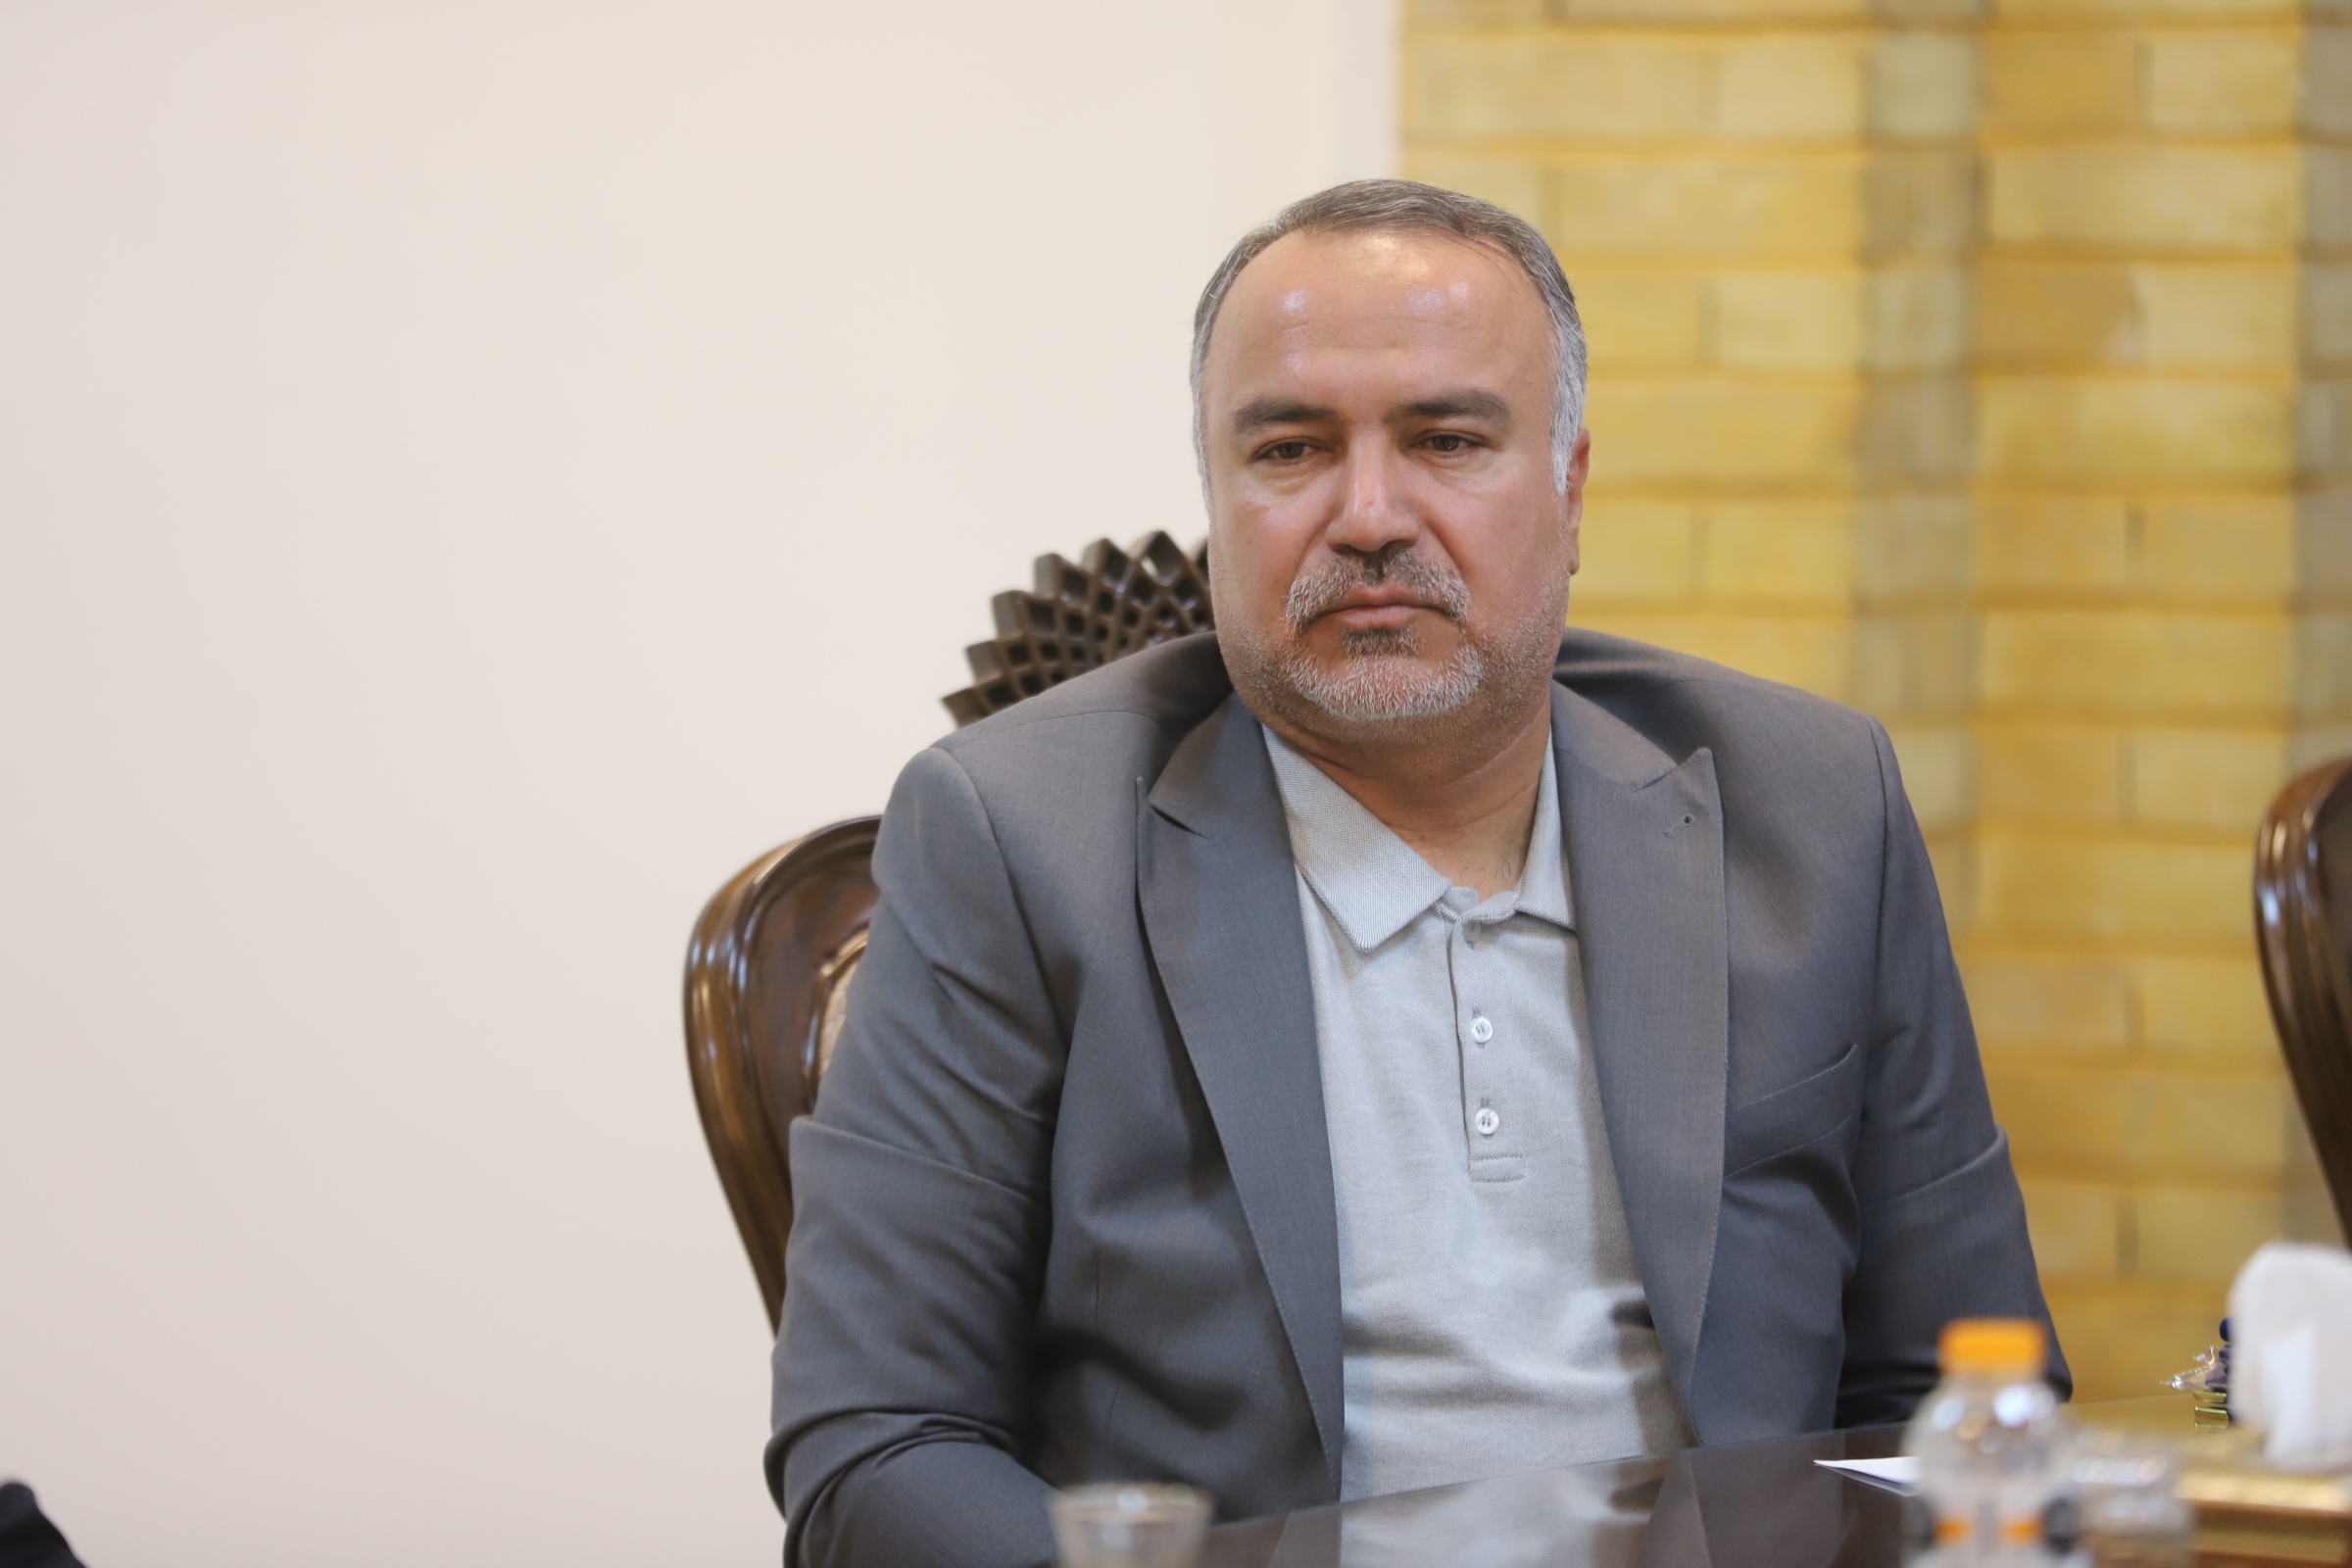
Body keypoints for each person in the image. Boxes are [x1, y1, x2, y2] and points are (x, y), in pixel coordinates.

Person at [765, 179, 2063, 1568]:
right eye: (1290, 449)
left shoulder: (1808, 806)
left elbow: (1965, 1392)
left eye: (1448, 441)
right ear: (1217, 497)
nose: (1370, 515)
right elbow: (875, 1448)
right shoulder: (1018, 836)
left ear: (1568, 489)